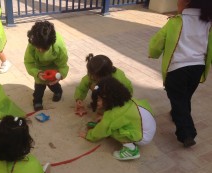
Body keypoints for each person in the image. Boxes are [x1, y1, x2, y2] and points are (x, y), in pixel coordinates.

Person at [149, 0, 212, 147]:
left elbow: (158, 41)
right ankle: (177, 113)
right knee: (185, 95)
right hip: (197, 68)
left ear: (186, 3)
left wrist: (153, 53)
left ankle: (187, 134)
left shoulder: (175, 22)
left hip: (178, 69)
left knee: (177, 99)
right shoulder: (207, 23)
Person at [80, 77, 156, 160]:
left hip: (143, 136)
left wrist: (89, 135)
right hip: (145, 127)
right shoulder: (124, 101)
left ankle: (131, 150)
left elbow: (104, 128)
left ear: (108, 98)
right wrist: (104, 118)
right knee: (111, 123)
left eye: (99, 99)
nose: (97, 102)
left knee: (112, 129)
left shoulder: (115, 114)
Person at [24, 20, 69, 111]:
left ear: (50, 44)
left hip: (53, 67)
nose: (40, 50)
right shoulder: (33, 42)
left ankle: (58, 91)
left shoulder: (59, 46)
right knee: (39, 87)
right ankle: (37, 101)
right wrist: (37, 73)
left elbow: (63, 64)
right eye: (37, 47)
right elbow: (29, 62)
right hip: (39, 67)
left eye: (43, 48)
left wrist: (60, 75)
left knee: (53, 84)